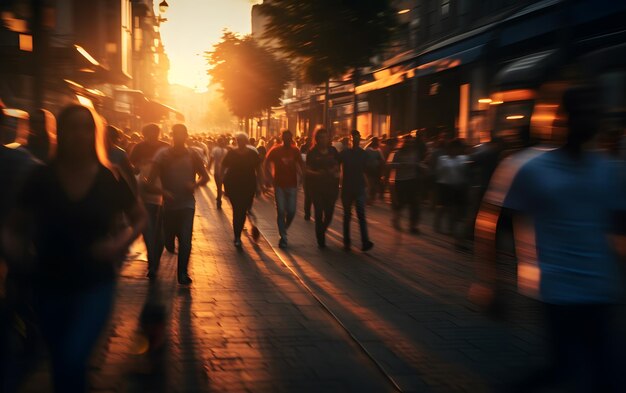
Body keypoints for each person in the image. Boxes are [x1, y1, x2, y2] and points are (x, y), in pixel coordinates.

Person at [471, 86, 626, 392]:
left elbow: (619, 229)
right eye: (580, 113)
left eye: (593, 113)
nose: (588, 120)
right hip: (556, 289)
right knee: (571, 368)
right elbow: (492, 223)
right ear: (560, 118)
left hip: (601, 289)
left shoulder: (608, 170)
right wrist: (490, 283)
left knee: (597, 374)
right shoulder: (528, 167)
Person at [2, 105, 146, 393]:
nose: (79, 134)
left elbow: (139, 217)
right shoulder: (41, 178)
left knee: (72, 359)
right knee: (61, 365)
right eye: (72, 127)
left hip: (95, 285)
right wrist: (16, 256)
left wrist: (118, 244)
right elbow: (11, 227)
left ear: (95, 133)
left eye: (86, 127)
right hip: (47, 285)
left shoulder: (109, 177)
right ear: (61, 133)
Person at [148, 124, 209, 285]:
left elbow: (205, 176)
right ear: (172, 135)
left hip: (187, 204)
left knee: (186, 238)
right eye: (176, 134)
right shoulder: (162, 155)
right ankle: (153, 266)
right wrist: (163, 192)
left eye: (182, 134)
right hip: (168, 205)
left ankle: (182, 272)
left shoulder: (193, 155)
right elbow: (149, 182)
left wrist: (194, 185)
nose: (179, 137)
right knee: (163, 238)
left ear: (186, 135)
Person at [130, 123, 169, 279]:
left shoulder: (166, 148)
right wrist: (139, 166)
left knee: (160, 232)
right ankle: (152, 263)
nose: (153, 135)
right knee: (148, 228)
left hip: (164, 191)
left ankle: (155, 260)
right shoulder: (139, 147)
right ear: (145, 134)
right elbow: (133, 166)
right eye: (150, 133)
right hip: (145, 191)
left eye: (155, 132)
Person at [221, 133, 263, 248]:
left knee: (243, 210)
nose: (240, 142)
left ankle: (238, 232)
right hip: (233, 185)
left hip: (248, 186)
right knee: (237, 210)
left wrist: (260, 185)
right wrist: (221, 181)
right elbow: (223, 166)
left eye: (242, 140)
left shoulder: (252, 154)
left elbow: (259, 169)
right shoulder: (231, 153)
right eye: (238, 140)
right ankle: (237, 237)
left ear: (246, 141)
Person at [264, 130, 304, 248]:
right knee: (281, 211)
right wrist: (269, 177)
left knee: (291, 211)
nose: (287, 139)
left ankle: (284, 228)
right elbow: (266, 162)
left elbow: (300, 164)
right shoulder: (275, 150)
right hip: (279, 185)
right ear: (282, 138)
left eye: (289, 137)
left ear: (291, 138)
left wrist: (302, 176)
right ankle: (283, 237)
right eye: (285, 137)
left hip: (292, 185)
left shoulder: (295, 150)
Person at [338, 130, 374, 252]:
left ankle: (364, 241)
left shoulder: (363, 154)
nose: (356, 140)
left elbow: (366, 172)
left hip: (359, 187)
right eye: (354, 137)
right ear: (351, 139)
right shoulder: (344, 153)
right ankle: (347, 241)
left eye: (358, 137)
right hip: (347, 188)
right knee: (348, 215)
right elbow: (335, 166)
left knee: (360, 214)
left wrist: (368, 190)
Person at [306, 128, 340, 248]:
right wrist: (317, 174)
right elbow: (308, 169)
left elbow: (338, 165)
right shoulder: (312, 152)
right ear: (317, 139)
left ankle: (322, 230)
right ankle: (321, 238)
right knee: (319, 212)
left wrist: (334, 171)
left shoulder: (333, 151)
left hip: (331, 187)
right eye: (321, 137)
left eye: (325, 137)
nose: (323, 139)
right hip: (316, 188)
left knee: (329, 213)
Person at [434, 139, 469, 241]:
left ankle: (451, 228)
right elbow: (438, 172)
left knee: (453, 208)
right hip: (444, 185)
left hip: (458, 186)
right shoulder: (442, 159)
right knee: (442, 207)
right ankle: (437, 224)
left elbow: (466, 172)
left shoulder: (463, 158)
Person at [388, 136, 422, 233]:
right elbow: (389, 165)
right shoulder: (396, 153)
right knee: (400, 202)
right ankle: (396, 219)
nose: (409, 145)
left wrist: (421, 166)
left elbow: (417, 163)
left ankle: (413, 226)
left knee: (414, 203)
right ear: (403, 143)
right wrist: (401, 165)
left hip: (412, 180)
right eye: (407, 143)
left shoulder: (415, 153)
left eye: (411, 143)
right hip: (400, 180)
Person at [208, 136, 229, 209]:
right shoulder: (226, 151)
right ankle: (220, 197)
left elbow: (211, 159)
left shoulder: (215, 150)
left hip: (217, 170)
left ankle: (219, 199)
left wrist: (208, 167)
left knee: (218, 186)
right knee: (222, 184)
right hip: (225, 171)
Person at [365, 137, 385, 204]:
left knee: (374, 184)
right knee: (371, 184)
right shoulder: (368, 150)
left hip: (376, 170)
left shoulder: (378, 151)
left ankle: (372, 197)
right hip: (369, 170)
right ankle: (369, 198)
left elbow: (382, 160)